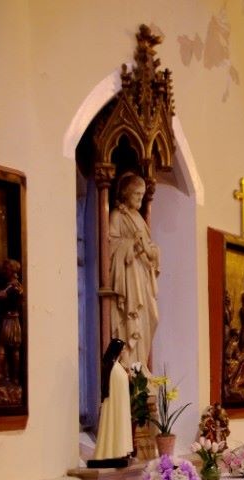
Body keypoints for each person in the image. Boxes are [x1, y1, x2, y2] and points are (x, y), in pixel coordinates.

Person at [108, 173, 160, 368]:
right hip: (129, 277)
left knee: (152, 317)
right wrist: (131, 245)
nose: (140, 198)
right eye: (137, 194)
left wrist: (152, 251)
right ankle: (129, 364)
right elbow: (110, 246)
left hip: (144, 275)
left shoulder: (138, 217)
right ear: (127, 193)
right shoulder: (117, 216)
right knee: (132, 319)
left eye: (142, 194)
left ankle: (141, 367)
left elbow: (150, 246)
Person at [93, 338, 133, 463]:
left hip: (120, 404)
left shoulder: (117, 366)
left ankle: (121, 450)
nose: (123, 352)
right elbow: (112, 386)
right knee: (113, 425)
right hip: (114, 404)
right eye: (122, 350)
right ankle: (114, 451)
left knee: (120, 425)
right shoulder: (113, 367)